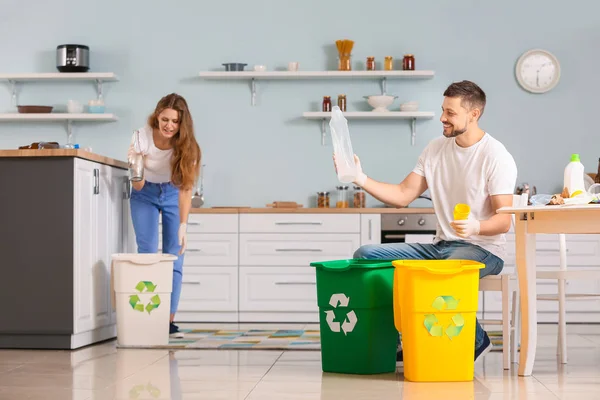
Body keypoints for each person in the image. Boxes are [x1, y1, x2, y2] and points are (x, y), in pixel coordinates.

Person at [342, 80, 518, 362]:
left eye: (450, 113)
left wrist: (476, 227)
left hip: (484, 250)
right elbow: (402, 195)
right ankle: (399, 336)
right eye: (442, 110)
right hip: (441, 246)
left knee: (443, 273)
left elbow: (504, 220)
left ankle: (475, 340)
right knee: (366, 255)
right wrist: (359, 178)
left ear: (474, 114)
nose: (442, 118)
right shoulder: (435, 149)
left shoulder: (496, 156)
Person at [127, 93, 201, 338]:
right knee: (146, 254)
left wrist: (183, 225)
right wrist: (136, 166)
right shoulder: (141, 137)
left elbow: (186, 188)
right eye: (165, 119)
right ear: (157, 116)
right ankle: (147, 315)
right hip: (144, 194)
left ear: (182, 123)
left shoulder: (188, 147)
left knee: (174, 257)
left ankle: (168, 320)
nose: (169, 125)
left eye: (175, 121)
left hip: (172, 193)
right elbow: (137, 186)